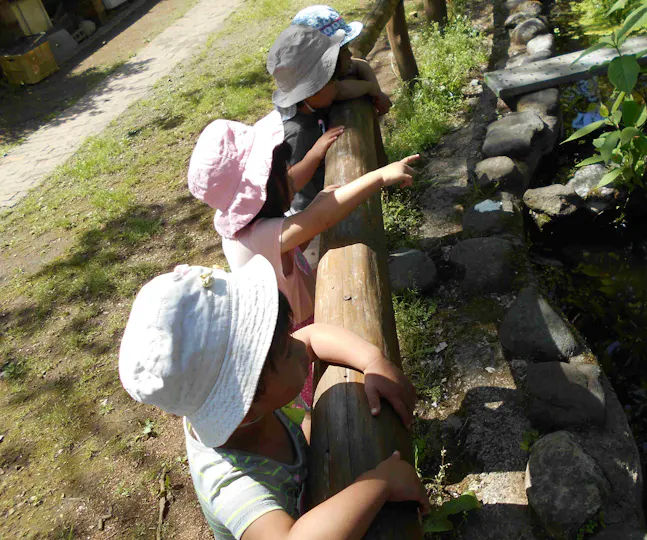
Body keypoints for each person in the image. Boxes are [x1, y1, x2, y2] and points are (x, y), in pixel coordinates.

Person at [118, 256, 429, 539]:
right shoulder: (234, 486)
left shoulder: (250, 405)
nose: (298, 345)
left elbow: (312, 336)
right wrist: (379, 484)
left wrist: (372, 360)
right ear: (244, 398)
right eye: (285, 348)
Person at [187, 110, 419, 411]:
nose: (290, 173)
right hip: (297, 334)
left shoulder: (251, 222)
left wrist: (316, 152)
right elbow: (319, 219)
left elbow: (293, 187)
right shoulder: (258, 234)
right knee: (329, 397)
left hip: (304, 315)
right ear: (262, 194)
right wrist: (378, 177)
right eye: (282, 170)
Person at [268, 24, 390, 214]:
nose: (338, 87)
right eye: (332, 82)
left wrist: (370, 89)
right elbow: (290, 182)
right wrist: (315, 154)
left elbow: (345, 87)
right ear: (312, 91)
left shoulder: (312, 103)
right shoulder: (297, 131)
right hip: (307, 214)